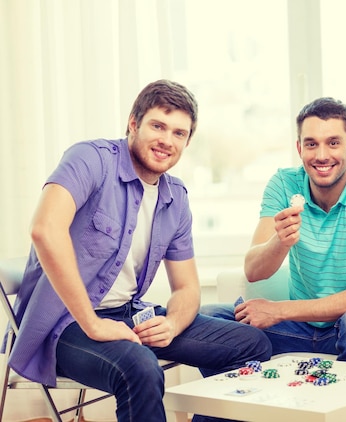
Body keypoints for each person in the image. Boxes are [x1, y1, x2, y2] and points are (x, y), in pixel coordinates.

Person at [8, 80, 272, 422]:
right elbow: (45, 230)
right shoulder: (90, 159)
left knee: (252, 345)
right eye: (158, 126)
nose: (167, 140)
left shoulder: (175, 198)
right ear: (133, 123)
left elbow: (187, 287)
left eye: (179, 133)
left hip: (128, 315)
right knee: (142, 368)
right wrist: (94, 324)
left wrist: (173, 324)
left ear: (187, 141)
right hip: (65, 325)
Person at [201, 97, 346, 363]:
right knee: (210, 318)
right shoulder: (283, 184)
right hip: (298, 329)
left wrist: (279, 311)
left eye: (333, 143)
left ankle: (343, 403)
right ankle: (251, 400)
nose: (322, 155)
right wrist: (280, 242)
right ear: (299, 147)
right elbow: (254, 271)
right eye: (311, 144)